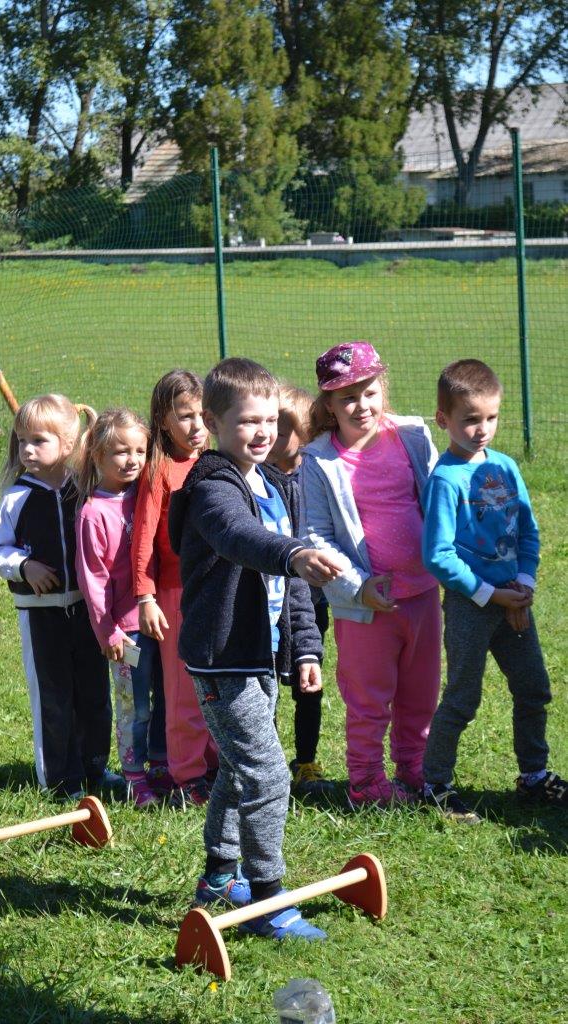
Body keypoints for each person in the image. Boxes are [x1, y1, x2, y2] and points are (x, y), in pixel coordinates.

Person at [168, 357, 344, 941]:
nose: (263, 432)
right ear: (214, 423)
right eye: (248, 421)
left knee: (238, 768)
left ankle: (220, 878)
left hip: (261, 656)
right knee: (267, 775)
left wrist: (305, 649)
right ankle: (268, 899)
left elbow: (293, 589)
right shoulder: (212, 486)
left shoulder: (273, 485)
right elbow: (238, 537)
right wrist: (292, 553)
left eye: (270, 420)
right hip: (223, 658)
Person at [421, 359, 567, 822]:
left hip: (513, 600)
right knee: (463, 697)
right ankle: (435, 785)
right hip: (472, 604)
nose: (482, 429)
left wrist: (523, 583)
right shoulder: (445, 480)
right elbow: (438, 555)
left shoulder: (506, 467)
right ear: (443, 419)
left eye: (491, 417)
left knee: (533, 688)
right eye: (470, 419)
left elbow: (528, 531)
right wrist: (489, 594)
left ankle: (534, 776)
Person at [300, 342, 441, 809]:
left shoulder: (413, 436)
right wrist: (359, 586)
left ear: (384, 389)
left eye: (369, 392)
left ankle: (415, 769)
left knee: (421, 693)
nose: (361, 405)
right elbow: (316, 535)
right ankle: (365, 782)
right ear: (329, 405)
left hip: (423, 594)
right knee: (368, 699)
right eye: (347, 398)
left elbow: (439, 501)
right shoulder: (319, 461)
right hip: (366, 607)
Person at [0, 394, 115, 801]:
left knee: (94, 694)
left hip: (88, 612)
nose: (27, 449)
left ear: (68, 444)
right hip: (41, 616)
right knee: (53, 697)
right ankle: (59, 781)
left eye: (38, 440)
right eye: (22, 441)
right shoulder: (16, 497)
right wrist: (24, 567)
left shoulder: (87, 488)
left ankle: (95, 769)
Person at [131, 369, 218, 808]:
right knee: (184, 691)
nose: (196, 425)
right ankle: (187, 776)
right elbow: (143, 539)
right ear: (163, 421)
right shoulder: (159, 470)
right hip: (176, 595)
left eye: (202, 414)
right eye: (185, 416)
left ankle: (216, 765)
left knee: (217, 686)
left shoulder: (216, 462)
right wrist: (146, 597)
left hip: (217, 592)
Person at [75, 407, 170, 809]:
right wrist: (108, 633)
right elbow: (92, 581)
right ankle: (134, 775)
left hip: (161, 619)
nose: (132, 460)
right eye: (120, 451)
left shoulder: (149, 495)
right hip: (125, 633)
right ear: (97, 455)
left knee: (167, 697)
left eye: (139, 451)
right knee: (135, 704)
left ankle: (162, 765)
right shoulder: (92, 513)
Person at [266, 383, 333, 800]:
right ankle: (269, 761)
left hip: (313, 601)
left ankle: (306, 760)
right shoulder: (256, 479)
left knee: (310, 682)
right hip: (271, 602)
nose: (271, 434)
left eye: (283, 427)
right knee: (267, 683)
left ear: (306, 432)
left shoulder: (314, 475)